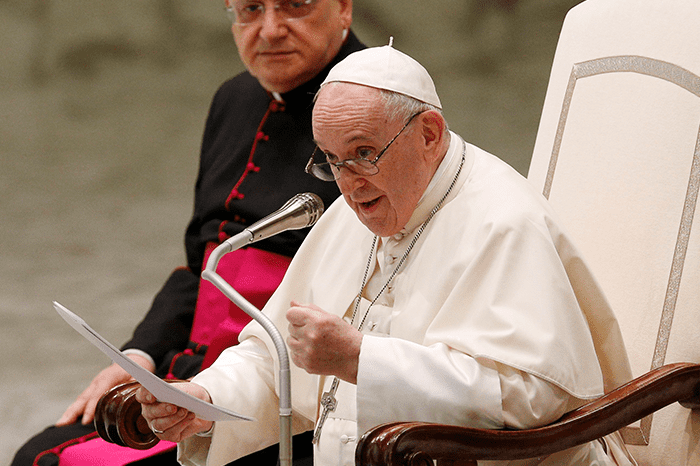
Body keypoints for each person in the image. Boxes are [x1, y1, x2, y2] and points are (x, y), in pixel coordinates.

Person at [136, 44, 639, 466]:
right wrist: (207, 400)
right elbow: (275, 358)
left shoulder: (502, 221)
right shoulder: (351, 215)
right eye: (330, 161)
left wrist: (362, 359)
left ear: (428, 134)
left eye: (363, 153)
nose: (349, 184)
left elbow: (532, 397)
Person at [12, 0, 363, 465]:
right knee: (40, 453)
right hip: (193, 367)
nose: (270, 29)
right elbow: (201, 262)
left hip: (289, 396)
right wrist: (142, 354)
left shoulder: (371, 108)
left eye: (294, 5)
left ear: (343, 8)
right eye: (251, 9)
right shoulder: (235, 98)